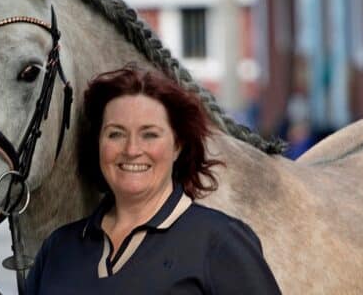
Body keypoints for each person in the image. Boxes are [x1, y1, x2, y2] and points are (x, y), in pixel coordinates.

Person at [25, 65, 281, 294]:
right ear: (98, 143)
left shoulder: (220, 241)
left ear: (178, 145)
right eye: (115, 134)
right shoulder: (59, 248)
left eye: (149, 134)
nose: (132, 149)